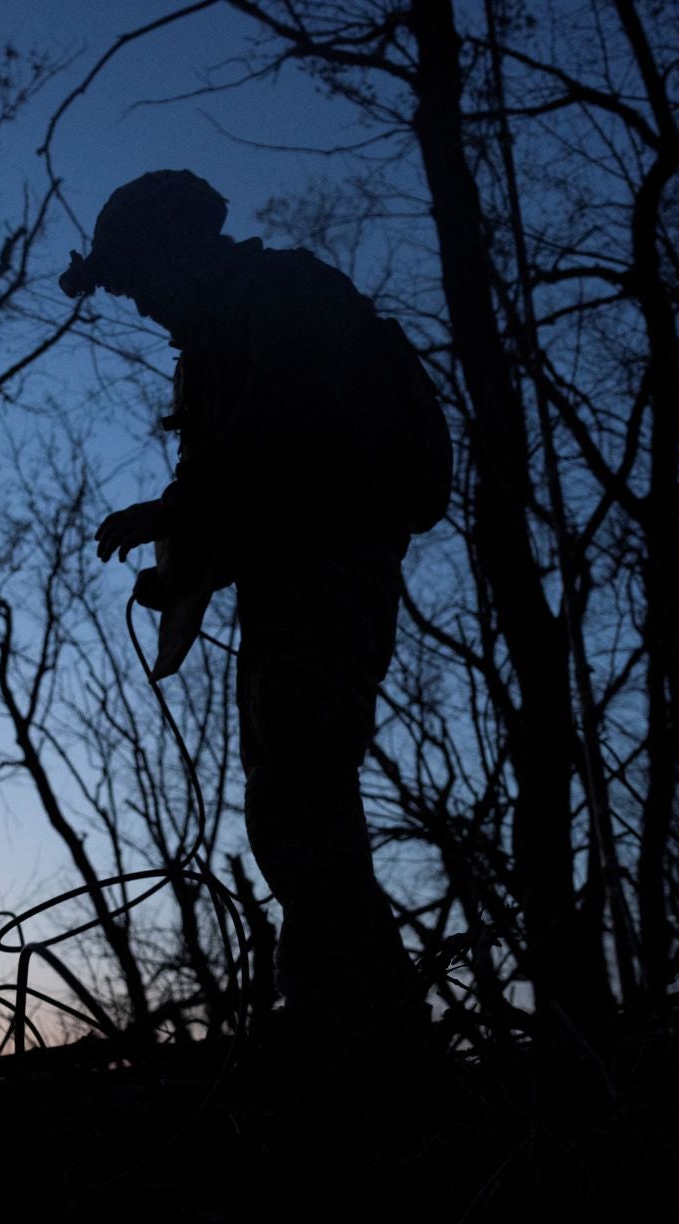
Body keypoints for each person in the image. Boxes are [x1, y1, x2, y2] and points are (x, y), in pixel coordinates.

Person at [61, 170, 432, 1036]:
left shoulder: (287, 292)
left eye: (141, 280)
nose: (144, 304)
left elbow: (285, 430)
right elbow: (235, 485)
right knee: (286, 788)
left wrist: (178, 514)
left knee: (302, 778)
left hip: (333, 568)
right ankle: (368, 1018)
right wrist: (180, 569)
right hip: (282, 581)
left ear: (182, 249)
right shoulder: (210, 353)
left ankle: (347, 1022)